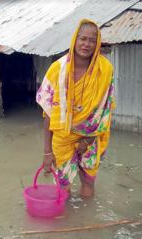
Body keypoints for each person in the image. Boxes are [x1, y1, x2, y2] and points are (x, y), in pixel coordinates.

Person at [36, 19, 115, 198]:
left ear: (97, 43)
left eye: (92, 40)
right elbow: (48, 112)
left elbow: (105, 109)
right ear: (74, 40)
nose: (86, 44)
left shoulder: (105, 70)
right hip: (62, 137)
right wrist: (47, 151)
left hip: (91, 136)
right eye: (82, 39)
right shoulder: (57, 69)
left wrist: (87, 141)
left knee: (88, 180)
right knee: (63, 186)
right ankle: (66, 220)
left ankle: (86, 219)